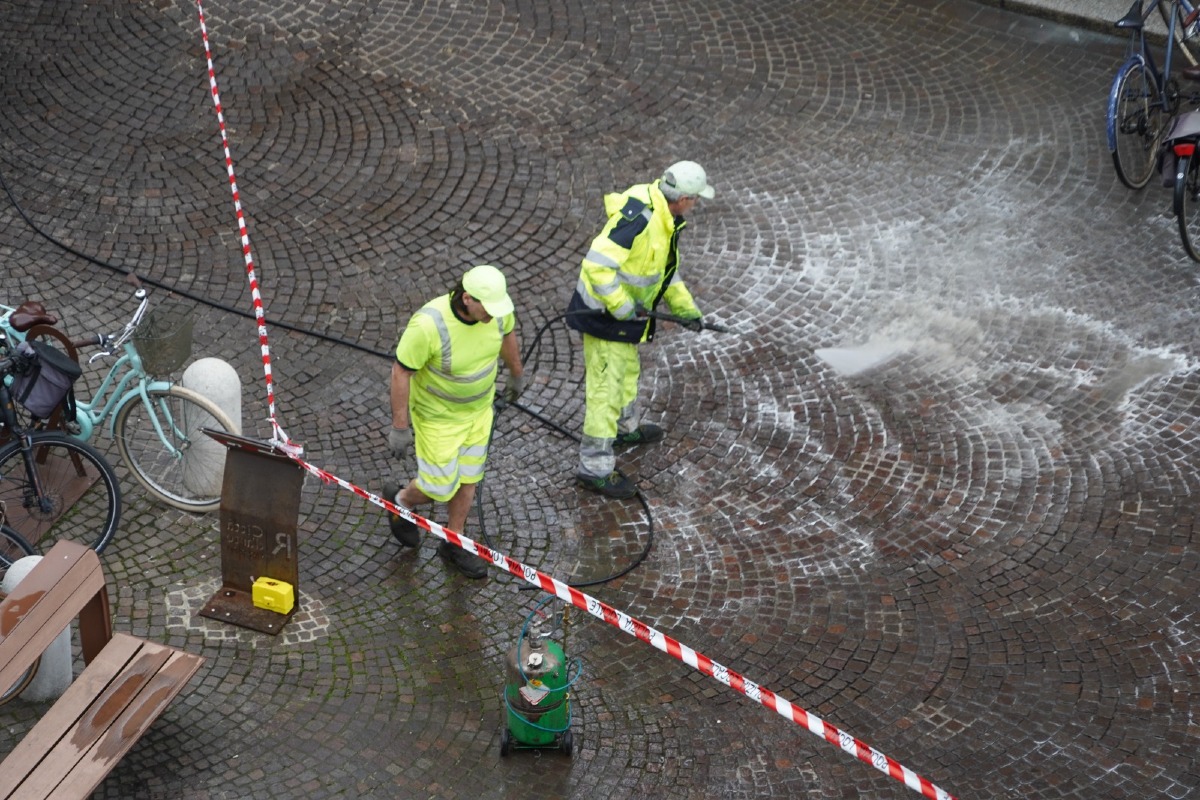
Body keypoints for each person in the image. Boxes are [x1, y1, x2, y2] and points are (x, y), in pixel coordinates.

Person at [565, 160, 714, 499]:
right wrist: (620, 306)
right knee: (605, 390)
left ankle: (623, 429)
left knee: (627, 371)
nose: (696, 206)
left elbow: (664, 273)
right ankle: (594, 468)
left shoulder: (665, 219)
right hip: (604, 316)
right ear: (684, 198)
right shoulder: (643, 219)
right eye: (696, 200)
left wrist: (686, 309)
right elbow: (597, 266)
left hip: (625, 318)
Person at [383, 264, 527, 578]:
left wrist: (516, 375)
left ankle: (454, 540)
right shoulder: (429, 325)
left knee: (468, 479)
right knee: (438, 487)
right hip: (438, 420)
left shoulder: (497, 312)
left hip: (479, 413)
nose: (493, 315)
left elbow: (507, 333)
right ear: (466, 299)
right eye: (487, 309)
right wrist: (399, 427)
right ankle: (401, 499)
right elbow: (401, 371)